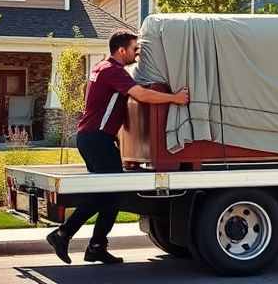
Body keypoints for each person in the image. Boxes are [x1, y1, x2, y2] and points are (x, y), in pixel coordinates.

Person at [46, 30, 189, 265]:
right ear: (121, 50)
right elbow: (141, 95)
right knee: (109, 193)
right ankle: (64, 234)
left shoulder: (101, 68)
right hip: (97, 139)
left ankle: (96, 246)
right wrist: (175, 98)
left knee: (109, 195)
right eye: (135, 49)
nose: (137, 54)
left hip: (92, 138)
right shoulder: (114, 71)